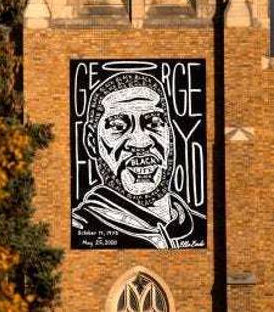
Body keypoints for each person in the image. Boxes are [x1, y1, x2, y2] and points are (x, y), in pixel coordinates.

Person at [72, 72, 204, 248]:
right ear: (92, 142)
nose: (140, 143)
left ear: (170, 133)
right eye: (118, 126)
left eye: (155, 123)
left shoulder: (202, 228)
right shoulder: (80, 231)